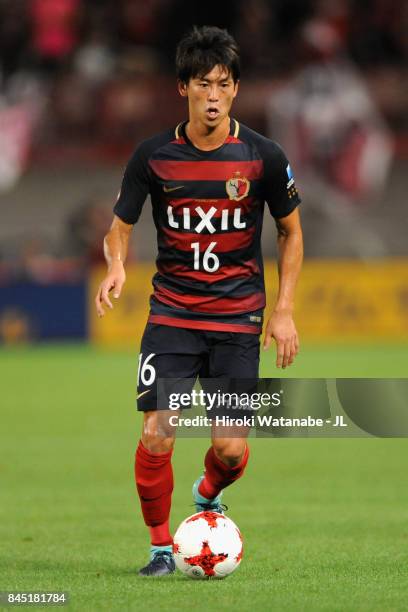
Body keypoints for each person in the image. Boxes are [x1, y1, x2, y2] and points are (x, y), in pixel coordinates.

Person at [95, 26, 303, 577]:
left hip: (237, 320)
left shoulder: (263, 156)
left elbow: (290, 232)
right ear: (182, 87)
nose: (214, 95)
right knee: (158, 433)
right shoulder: (154, 156)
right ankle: (161, 549)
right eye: (203, 83)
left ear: (236, 90)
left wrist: (282, 312)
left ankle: (208, 491)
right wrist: (116, 264)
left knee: (232, 450)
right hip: (173, 316)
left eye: (224, 84)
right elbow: (120, 227)